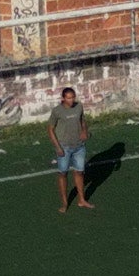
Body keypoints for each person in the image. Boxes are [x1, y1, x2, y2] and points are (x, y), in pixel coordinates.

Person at [50, 84, 92, 213]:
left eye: (73, 97)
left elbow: (82, 120)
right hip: (64, 147)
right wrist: (58, 147)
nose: (71, 100)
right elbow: (50, 129)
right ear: (63, 98)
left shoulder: (79, 107)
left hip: (79, 146)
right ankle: (64, 202)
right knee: (63, 173)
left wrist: (84, 131)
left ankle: (81, 199)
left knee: (79, 172)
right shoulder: (57, 111)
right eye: (68, 98)